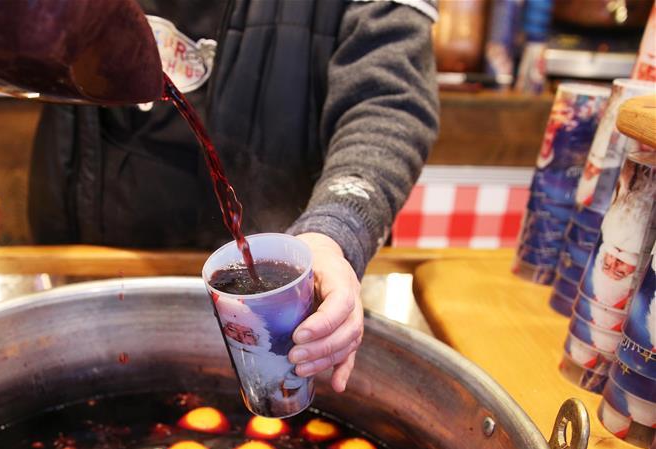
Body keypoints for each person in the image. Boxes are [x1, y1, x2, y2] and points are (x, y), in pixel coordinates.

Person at [28, 0, 440, 393]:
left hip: (288, 288)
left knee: (283, 386)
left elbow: (387, 100)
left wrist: (333, 231)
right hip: (103, 267)